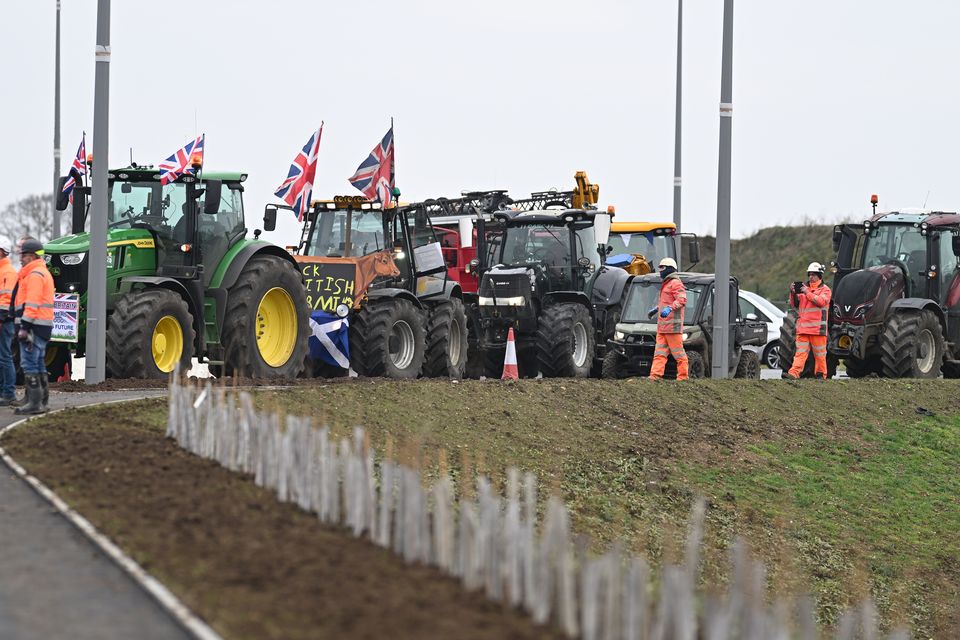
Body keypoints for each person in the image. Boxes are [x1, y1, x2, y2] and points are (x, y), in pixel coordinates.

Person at [12, 237, 55, 414]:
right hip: (41, 327)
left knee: (29, 364)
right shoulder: (40, 272)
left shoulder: (35, 274)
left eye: (23, 255)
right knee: (38, 364)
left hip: (34, 327)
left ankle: (35, 403)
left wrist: (25, 326)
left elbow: (32, 302)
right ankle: (42, 402)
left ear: (31, 256)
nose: (21, 259)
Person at [785, 261, 831, 380]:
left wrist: (807, 292)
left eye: (814, 274)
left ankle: (821, 375)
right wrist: (793, 292)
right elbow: (795, 304)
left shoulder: (825, 290)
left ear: (820, 275)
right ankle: (793, 374)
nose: (811, 277)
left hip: (817, 330)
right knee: (800, 354)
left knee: (820, 356)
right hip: (803, 329)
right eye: (809, 274)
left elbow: (820, 302)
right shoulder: (803, 289)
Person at [647, 257, 688, 380]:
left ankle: (683, 377)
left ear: (670, 269)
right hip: (663, 327)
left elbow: (682, 299)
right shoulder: (667, 284)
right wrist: (657, 309)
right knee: (659, 354)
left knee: (679, 354)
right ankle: (655, 376)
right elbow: (666, 302)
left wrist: (670, 308)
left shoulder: (675, 283)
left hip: (672, 328)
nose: (660, 270)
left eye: (662, 267)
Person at [0, 244, 17, 406]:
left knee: (5, 357)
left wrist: (1, 318)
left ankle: (9, 393)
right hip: (3, 319)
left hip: (5, 321)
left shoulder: (8, 272)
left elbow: (6, 300)